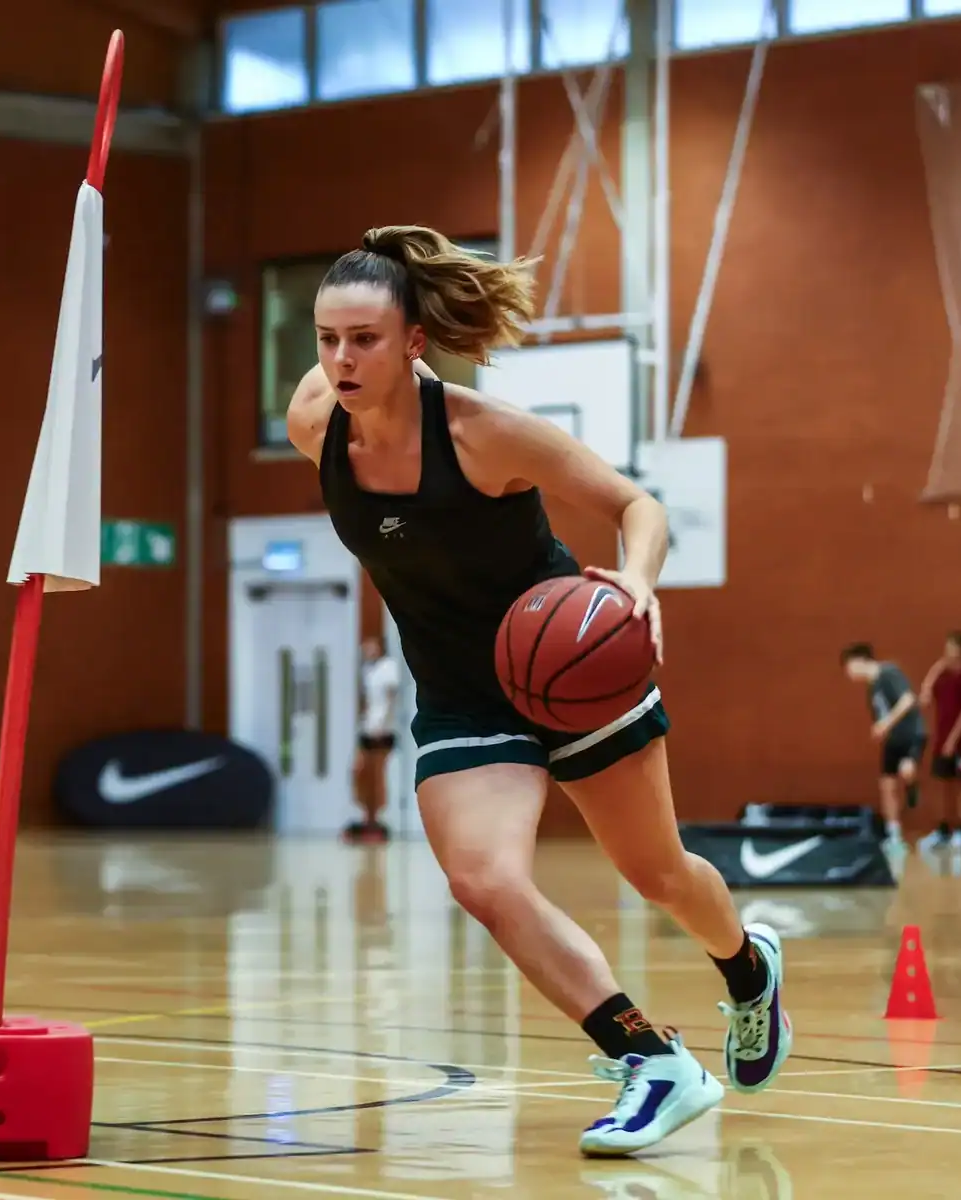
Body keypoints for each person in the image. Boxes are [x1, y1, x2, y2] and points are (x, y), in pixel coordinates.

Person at [284, 225, 790, 1157]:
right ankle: (654, 1061)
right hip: (462, 695)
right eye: (327, 339)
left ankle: (748, 971)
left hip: (573, 673)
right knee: (483, 879)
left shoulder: (483, 434)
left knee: (660, 875)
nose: (341, 359)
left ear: (413, 343)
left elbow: (640, 507)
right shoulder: (314, 421)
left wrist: (635, 585)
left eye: (363, 339)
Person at [841, 644, 925, 846]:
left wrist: (886, 723)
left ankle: (912, 784)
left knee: (906, 771)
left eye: (849, 668)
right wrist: (880, 729)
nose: (849, 674)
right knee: (886, 785)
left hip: (911, 734)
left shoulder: (889, 672)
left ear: (859, 660)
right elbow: (880, 715)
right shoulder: (872, 687)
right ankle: (894, 834)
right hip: (892, 740)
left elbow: (908, 700)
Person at [918, 631, 961, 850]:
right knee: (942, 782)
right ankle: (942, 829)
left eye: (951, 647)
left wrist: (953, 739)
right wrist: (936, 668)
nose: (947, 652)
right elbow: (924, 696)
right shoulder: (942, 677)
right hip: (940, 738)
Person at [348, 636, 400, 842]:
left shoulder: (388, 667)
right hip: (368, 728)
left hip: (382, 730)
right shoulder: (368, 670)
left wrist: (383, 723)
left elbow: (390, 699)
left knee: (378, 774)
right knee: (360, 771)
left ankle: (377, 817)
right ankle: (366, 815)